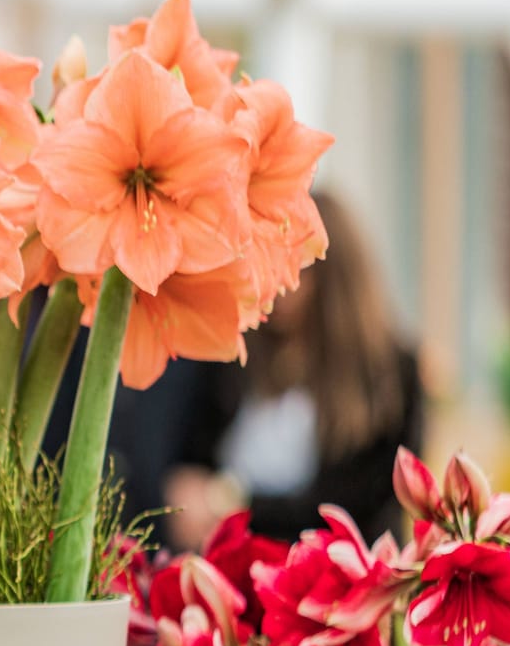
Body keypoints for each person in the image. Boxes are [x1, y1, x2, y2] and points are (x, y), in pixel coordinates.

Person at [163, 192, 423, 549]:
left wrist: (232, 501)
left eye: (294, 265)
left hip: (336, 576)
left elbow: (357, 506)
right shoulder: (234, 356)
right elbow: (193, 460)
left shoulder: (391, 372)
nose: (277, 279)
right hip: (234, 568)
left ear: (332, 273)